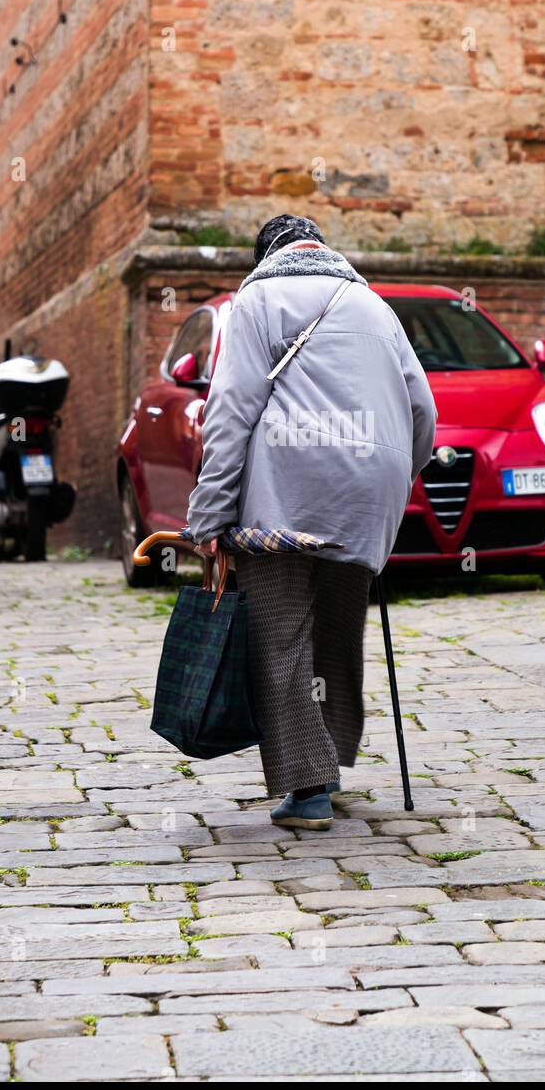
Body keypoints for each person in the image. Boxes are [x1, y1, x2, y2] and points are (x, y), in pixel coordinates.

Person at [186, 214, 437, 829]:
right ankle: (330, 758)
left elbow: (230, 412)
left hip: (290, 491)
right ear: (320, 249)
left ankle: (309, 787)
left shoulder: (257, 299)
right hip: (368, 491)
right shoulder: (376, 307)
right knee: (336, 629)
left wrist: (209, 515)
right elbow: (423, 410)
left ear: (265, 254)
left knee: (278, 635)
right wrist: (393, 478)